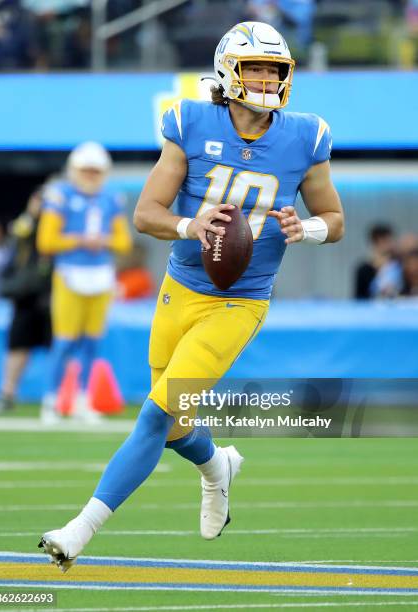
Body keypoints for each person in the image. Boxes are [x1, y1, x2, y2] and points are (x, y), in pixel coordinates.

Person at [39, 21, 344, 571]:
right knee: (176, 421)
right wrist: (190, 225)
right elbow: (145, 215)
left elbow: (336, 219)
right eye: (256, 67)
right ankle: (217, 466)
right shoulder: (190, 122)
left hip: (240, 301)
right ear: (230, 71)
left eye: (275, 69)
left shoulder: (306, 136)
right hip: (179, 289)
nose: (268, 79)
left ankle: (78, 531)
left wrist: (310, 229)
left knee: (156, 416)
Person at [37, 141, 132, 424]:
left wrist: (101, 241)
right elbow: (46, 241)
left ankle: (83, 400)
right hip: (69, 273)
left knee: (93, 343)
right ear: (74, 170)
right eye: (86, 170)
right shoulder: (60, 195)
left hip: (100, 275)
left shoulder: (111, 198)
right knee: (65, 341)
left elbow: (123, 241)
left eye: (96, 171)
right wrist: (80, 240)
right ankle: (51, 400)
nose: (91, 176)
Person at [0, 189, 52, 413]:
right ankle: (7, 393)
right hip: (26, 295)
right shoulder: (24, 226)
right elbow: (16, 245)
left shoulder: (61, 224)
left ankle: (57, 396)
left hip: (53, 293)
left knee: (61, 347)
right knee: (18, 345)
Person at [354, 224, 400, 299]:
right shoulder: (363, 270)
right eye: (382, 242)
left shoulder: (399, 267)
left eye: (389, 241)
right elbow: (358, 298)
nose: (387, 246)